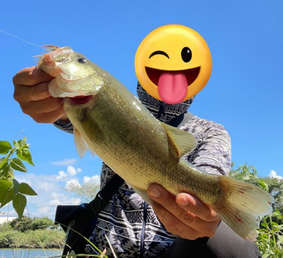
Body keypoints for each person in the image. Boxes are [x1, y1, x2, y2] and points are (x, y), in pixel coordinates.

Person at [13, 66, 262, 257]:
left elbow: (210, 171)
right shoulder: (112, 103)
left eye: (182, 70)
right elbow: (70, 116)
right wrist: (47, 98)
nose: (170, 75)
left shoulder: (211, 131)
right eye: (160, 67)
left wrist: (207, 214)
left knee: (231, 241)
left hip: (175, 252)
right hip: (104, 249)